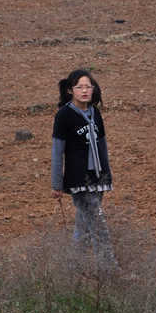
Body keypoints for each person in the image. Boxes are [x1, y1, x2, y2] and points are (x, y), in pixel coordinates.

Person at [52, 68, 116, 268]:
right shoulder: (63, 116)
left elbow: (102, 144)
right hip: (78, 179)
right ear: (71, 90)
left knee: (84, 226)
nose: (85, 91)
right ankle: (110, 269)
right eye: (80, 87)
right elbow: (57, 151)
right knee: (98, 225)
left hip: (97, 177)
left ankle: (73, 267)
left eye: (88, 87)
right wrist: (56, 184)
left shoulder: (95, 112)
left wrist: (107, 175)